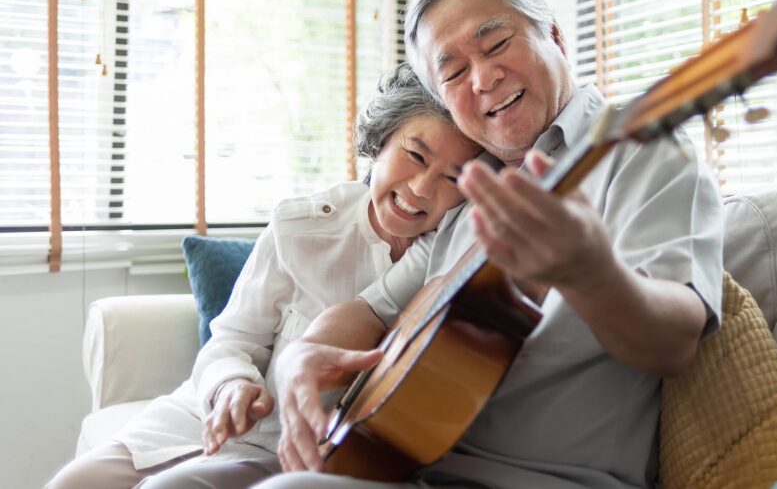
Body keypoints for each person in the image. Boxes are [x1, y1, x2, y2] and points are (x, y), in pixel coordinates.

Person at [260, 0, 725, 489]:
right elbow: (371, 310)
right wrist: (300, 357)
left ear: (554, 36)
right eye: (453, 72)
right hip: (398, 464)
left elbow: (674, 343)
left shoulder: (644, 152)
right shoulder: (468, 192)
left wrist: (591, 273)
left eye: (497, 44)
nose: (482, 78)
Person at [45, 64, 481, 489]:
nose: (423, 188)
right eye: (415, 155)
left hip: (284, 452)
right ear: (382, 139)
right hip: (203, 416)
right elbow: (232, 339)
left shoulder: (449, 249)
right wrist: (231, 385)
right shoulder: (301, 227)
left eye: (452, 177)